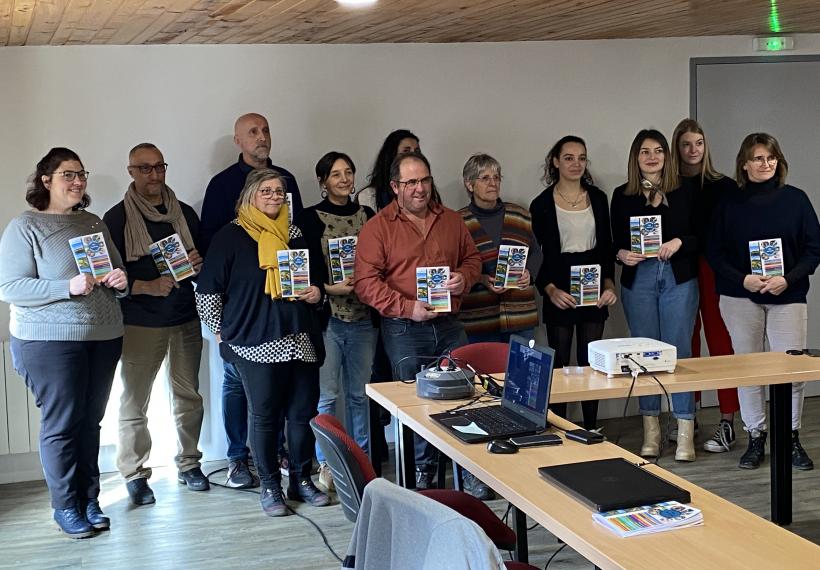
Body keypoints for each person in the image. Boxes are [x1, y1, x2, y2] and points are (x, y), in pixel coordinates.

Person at [0, 148, 128, 538]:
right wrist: (65, 287)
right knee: (62, 425)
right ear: (46, 180)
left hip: (103, 336)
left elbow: (113, 271)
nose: (77, 182)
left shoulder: (93, 224)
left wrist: (121, 283)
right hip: (49, 341)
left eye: (81, 174)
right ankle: (66, 506)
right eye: (68, 174)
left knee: (91, 423)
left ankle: (90, 500)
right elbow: (9, 286)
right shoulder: (25, 227)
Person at [196, 169, 330, 517]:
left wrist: (316, 293)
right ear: (250, 195)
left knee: (303, 415)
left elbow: (315, 281)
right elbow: (208, 291)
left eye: (279, 191)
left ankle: (301, 480)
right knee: (265, 417)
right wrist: (219, 330)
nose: (273, 196)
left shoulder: (295, 233)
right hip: (254, 342)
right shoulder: (230, 236)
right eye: (266, 190)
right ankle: (270, 486)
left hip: (299, 337)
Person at [355, 151, 482, 490]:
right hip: (404, 328)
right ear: (395, 186)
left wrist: (463, 278)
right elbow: (366, 284)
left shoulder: (452, 220)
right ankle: (422, 472)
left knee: (463, 395)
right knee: (418, 403)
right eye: (411, 182)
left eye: (425, 180)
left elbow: (472, 260)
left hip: (450, 324)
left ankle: (468, 470)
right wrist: (407, 308)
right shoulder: (377, 228)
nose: (420, 189)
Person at [199, 113, 303, 488]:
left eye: (266, 130)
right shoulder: (221, 185)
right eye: (253, 132)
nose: (262, 137)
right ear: (238, 140)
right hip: (238, 309)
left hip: (282, 308)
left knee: (277, 391)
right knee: (236, 385)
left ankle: (275, 454)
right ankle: (238, 458)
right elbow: (210, 243)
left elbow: (296, 237)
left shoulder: (286, 180)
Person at [103, 143, 207, 506]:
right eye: (145, 168)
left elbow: (203, 265)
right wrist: (145, 286)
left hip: (185, 319)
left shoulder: (185, 214)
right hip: (140, 323)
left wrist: (197, 264)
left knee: (188, 397)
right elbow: (104, 277)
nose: (154, 175)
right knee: (134, 402)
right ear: (130, 171)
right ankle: (134, 474)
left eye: (160, 167)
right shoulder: (116, 219)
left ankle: (190, 464)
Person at [709, 132, 820, 471]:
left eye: (771, 157)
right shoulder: (729, 204)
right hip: (740, 297)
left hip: (788, 296)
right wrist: (743, 279)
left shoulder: (796, 200)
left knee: (791, 372)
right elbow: (715, 253)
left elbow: (814, 249)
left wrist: (788, 278)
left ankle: (790, 437)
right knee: (749, 370)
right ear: (745, 164)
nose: (766, 163)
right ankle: (756, 436)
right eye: (758, 158)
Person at [610, 129, 699, 462]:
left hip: (678, 276)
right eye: (644, 151)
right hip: (640, 279)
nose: (652, 157)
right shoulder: (622, 194)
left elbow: (700, 234)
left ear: (667, 155)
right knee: (644, 355)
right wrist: (621, 253)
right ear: (636, 157)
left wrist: (680, 242)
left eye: (658, 150)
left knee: (680, 351)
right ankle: (652, 432)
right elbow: (613, 241)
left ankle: (685, 429)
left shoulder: (686, 190)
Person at [294, 152, 377, 493]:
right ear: (322, 181)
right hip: (328, 317)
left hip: (364, 317)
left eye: (348, 172)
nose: (343, 179)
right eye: (335, 174)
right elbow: (304, 271)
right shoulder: (309, 219)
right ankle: (328, 465)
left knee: (359, 396)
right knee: (326, 396)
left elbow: (379, 259)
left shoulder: (368, 215)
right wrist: (330, 288)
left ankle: (363, 465)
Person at [530, 136, 616, 431]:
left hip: (593, 280)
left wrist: (609, 285)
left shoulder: (599, 198)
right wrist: (550, 290)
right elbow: (536, 257)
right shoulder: (541, 204)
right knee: (561, 364)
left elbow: (606, 247)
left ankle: (591, 427)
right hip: (559, 285)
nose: (576, 163)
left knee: (591, 361)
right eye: (569, 157)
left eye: (581, 157)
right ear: (555, 162)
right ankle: (562, 428)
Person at [671, 119, 740, 453]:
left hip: (714, 269)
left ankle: (728, 421)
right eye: (686, 144)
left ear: (705, 146)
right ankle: (689, 416)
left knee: (720, 341)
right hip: (680, 269)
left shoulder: (724, 186)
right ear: (677, 148)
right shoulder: (667, 186)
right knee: (685, 343)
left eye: (698, 143)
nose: (693, 150)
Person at [458, 153, 542, 344]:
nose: (493, 183)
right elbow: (453, 265)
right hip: (479, 317)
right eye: (485, 178)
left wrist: (529, 273)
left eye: (496, 177)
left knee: (520, 371)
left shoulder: (520, 214)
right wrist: (480, 278)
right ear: (469, 184)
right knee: (483, 371)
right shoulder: (458, 222)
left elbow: (536, 252)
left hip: (520, 314)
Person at [357, 129, 421, 212]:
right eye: (406, 151)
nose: (413, 156)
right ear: (392, 155)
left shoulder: (423, 189)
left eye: (417, 151)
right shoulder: (369, 195)